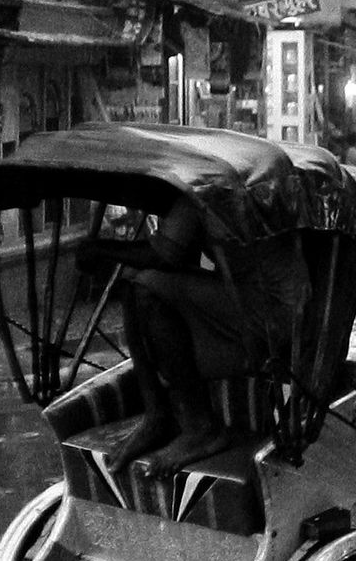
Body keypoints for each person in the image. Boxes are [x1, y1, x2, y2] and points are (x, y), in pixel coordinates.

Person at [77, 195, 312, 478]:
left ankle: (201, 428)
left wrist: (101, 249)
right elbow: (176, 259)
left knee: (146, 286)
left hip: (273, 316)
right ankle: (157, 416)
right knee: (137, 286)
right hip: (246, 302)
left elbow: (164, 254)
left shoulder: (200, 182)